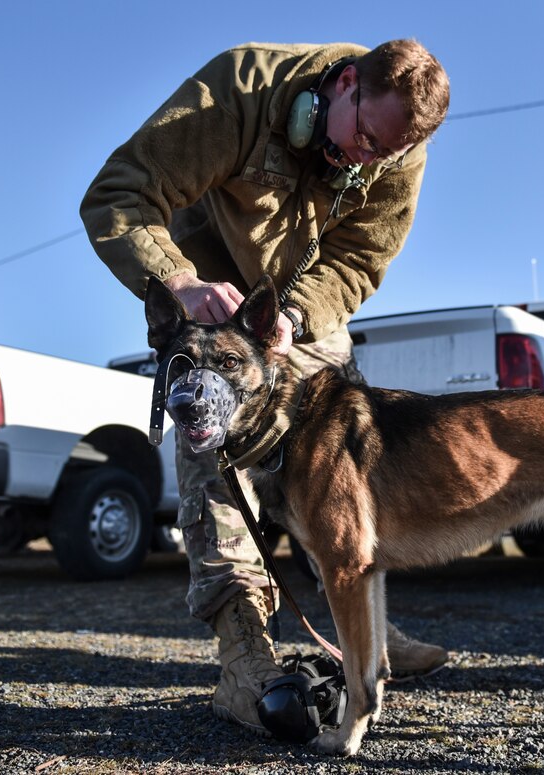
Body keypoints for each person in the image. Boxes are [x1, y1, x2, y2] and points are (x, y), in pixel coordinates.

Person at [80, 39, 451, 737]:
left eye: (387, 154)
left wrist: (296, 313)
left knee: (345, 457)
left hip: (293, 311)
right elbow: (117, 194)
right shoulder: (241, 89)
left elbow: (361, 256)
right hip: (206, 297)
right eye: (364, 138)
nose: (369, 160)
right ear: (344, 84)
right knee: (212, 448)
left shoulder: (400, 148)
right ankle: (244, 656)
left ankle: (365, 624)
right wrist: (180, 282)